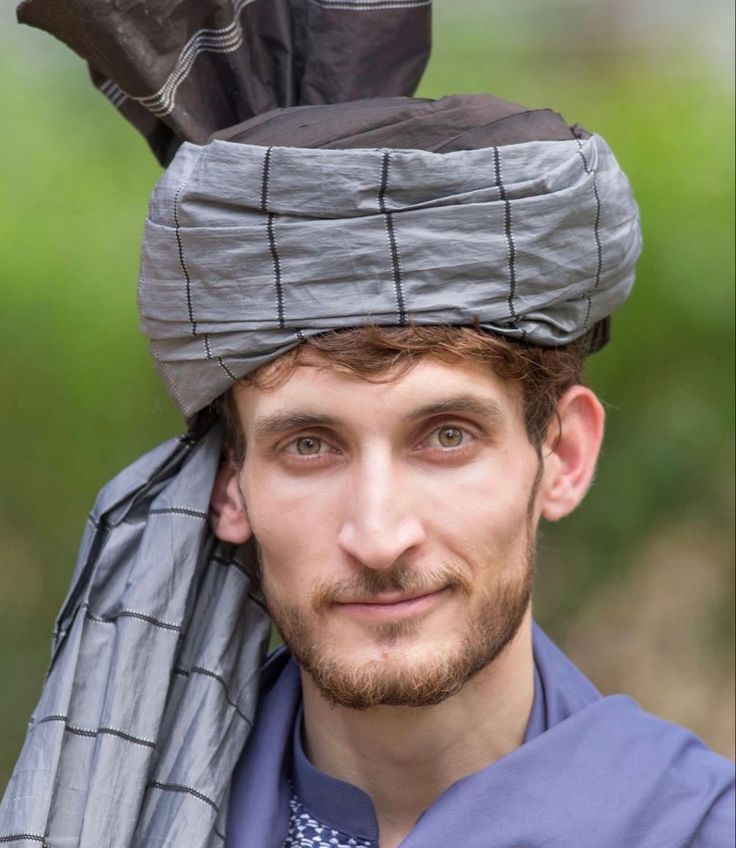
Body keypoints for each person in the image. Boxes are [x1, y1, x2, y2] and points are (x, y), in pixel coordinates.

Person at [2, 1, 734, 846]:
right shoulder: (107, 813)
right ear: (231, 484)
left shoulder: (692, 829)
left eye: (447, 436)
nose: (379, 537)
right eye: (309, 445)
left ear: (562, 455)